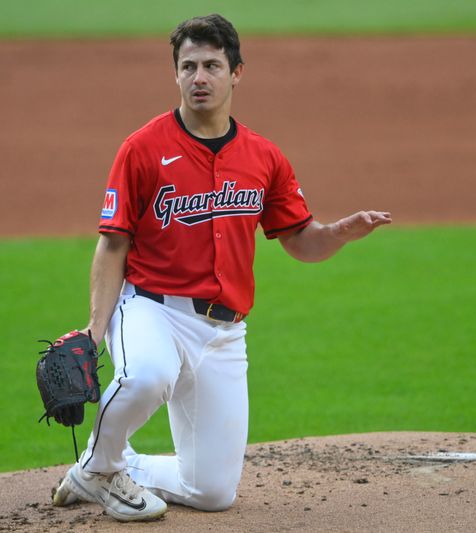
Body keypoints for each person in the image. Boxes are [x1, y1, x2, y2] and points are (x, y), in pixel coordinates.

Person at [52, 13, 391, 522]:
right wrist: (95, 330)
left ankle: (114, 467)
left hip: (225, 333)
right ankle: (101, 469)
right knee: (146, 375)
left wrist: (338, 234)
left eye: (212, 65)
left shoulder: (263, 157)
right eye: (188, 66)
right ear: (176, 75)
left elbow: (300, 240)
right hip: (152, 309)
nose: (199, 78)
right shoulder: (142, 149)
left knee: (212, 492)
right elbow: (112, 245)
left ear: (237, 73)